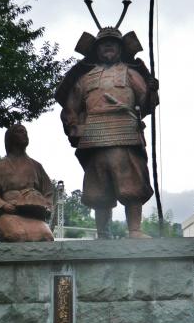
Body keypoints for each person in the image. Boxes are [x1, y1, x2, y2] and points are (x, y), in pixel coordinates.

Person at [56, 15, 159, 239]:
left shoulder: (131, 73)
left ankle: (134, 230)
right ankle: (103, 232)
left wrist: (151, 90)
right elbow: (70, 105)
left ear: (121, 49)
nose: (108, 47)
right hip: (94, 134)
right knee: (98, 187)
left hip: (125, 131)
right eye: (104, 44)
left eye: (113, 44)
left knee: (131, 182)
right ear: (97, 50)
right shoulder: (85, 78)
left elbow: (146, 104)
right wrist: (73, 126)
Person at [0, 124, 54, 242]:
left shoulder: (36, 166)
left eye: (25, 132)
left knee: (47, 237)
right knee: (17, 235)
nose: (24, 134)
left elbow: (48, 190)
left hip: (33, 214)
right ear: (10, 138)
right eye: (20, 132)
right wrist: (3, 205)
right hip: (9, 213)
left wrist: (46, 206)